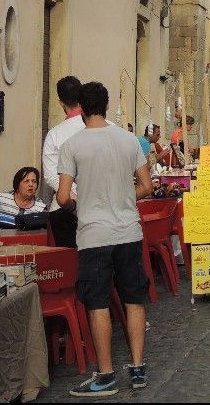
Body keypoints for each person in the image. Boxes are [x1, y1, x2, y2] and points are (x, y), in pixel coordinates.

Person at [57, 82, 153, 396]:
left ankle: (107, 374)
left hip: (93, 234)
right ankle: (138, 368)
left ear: (81, 109)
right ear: (107, 105)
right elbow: (147, 186)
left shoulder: (73, 145)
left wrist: (77, 202)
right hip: (128, 230)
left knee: (97, 302)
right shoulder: (128, 140)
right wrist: (126, 195)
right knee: (133, 297)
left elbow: (61, 197)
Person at [42, 75, 85, 212]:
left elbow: (51, 176)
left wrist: (72, 195)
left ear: (61, 102)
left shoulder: (54, 134)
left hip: (66, 206)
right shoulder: (107, 127)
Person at [0, 166, 47, 232]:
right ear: (17, 184)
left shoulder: (41, 208)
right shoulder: (2, 198)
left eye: (34, 181)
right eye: (26, 181)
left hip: (24, 244)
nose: (31, 184)